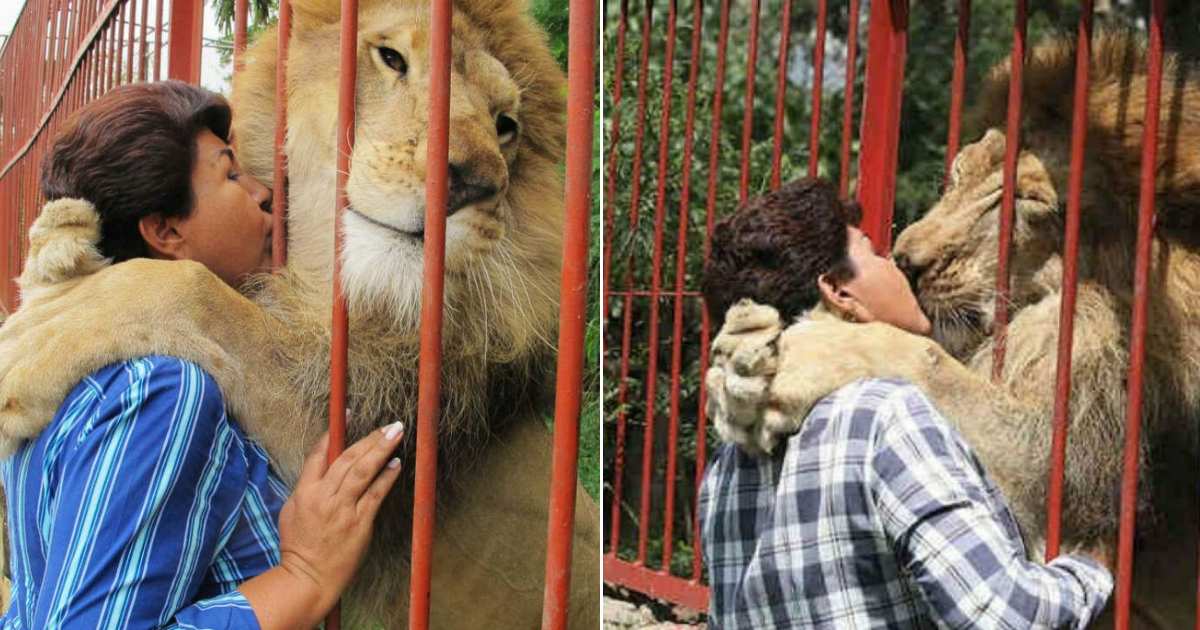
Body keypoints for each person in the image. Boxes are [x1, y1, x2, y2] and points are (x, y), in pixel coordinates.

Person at [0, 81, 400, 630]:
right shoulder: (159, 390)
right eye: (230, 174)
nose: (263, 191)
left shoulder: (74, 368)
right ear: (165, 232)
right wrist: (303, 575)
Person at [698, 178, 1113, 629]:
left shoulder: (724, 469)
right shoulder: (887, 415)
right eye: (875, 253)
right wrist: (1092, 567)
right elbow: (1002, 616)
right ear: (839, 291)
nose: (901, 259)